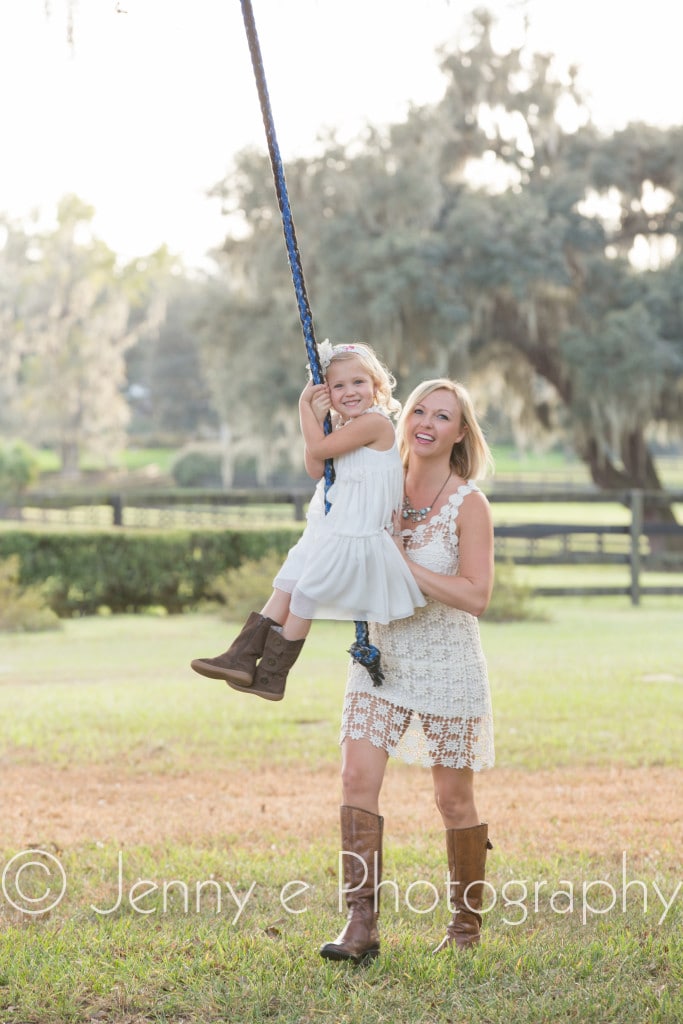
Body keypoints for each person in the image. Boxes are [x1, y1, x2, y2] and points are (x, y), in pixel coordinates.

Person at [319, 377, 495, 963]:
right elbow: (326, 485)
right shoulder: (379, 480)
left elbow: (475, 596)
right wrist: (319, 404)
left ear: (459, 433)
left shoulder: (470, 504)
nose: (426, 422)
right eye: (419, 409)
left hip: (449, 661)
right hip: (382, 661)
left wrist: (401, 561)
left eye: (442, 416)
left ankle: (465, 927)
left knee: (452, 800)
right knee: (354, 779)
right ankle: (360, 924)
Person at [190, 341, 426, 701]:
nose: (350, 392)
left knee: (303, 596)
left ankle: (273, 675)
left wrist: (303, 407)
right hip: (330, 528)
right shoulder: (339, 427)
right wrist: (317, 421)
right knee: (285, 584)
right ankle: (240, 658)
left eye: (359, 382)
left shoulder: (375, 423)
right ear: (327, 392)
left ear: (376, 386)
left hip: (356, 534)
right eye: (339, 386)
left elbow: (318, 450)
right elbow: (316, 467)